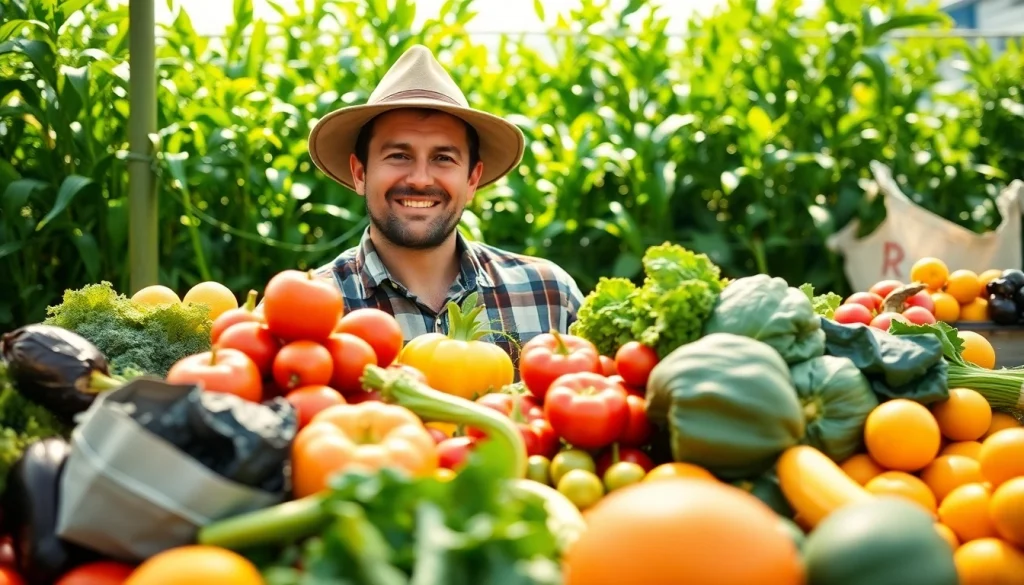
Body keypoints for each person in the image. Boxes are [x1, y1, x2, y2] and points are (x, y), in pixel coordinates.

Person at [307, 44, 585, 363]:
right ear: (360, 174)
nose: (420, 179)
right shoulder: (307, 310)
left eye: (443, 158)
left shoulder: (549, 295)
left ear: (472, 180)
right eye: (398, 156)